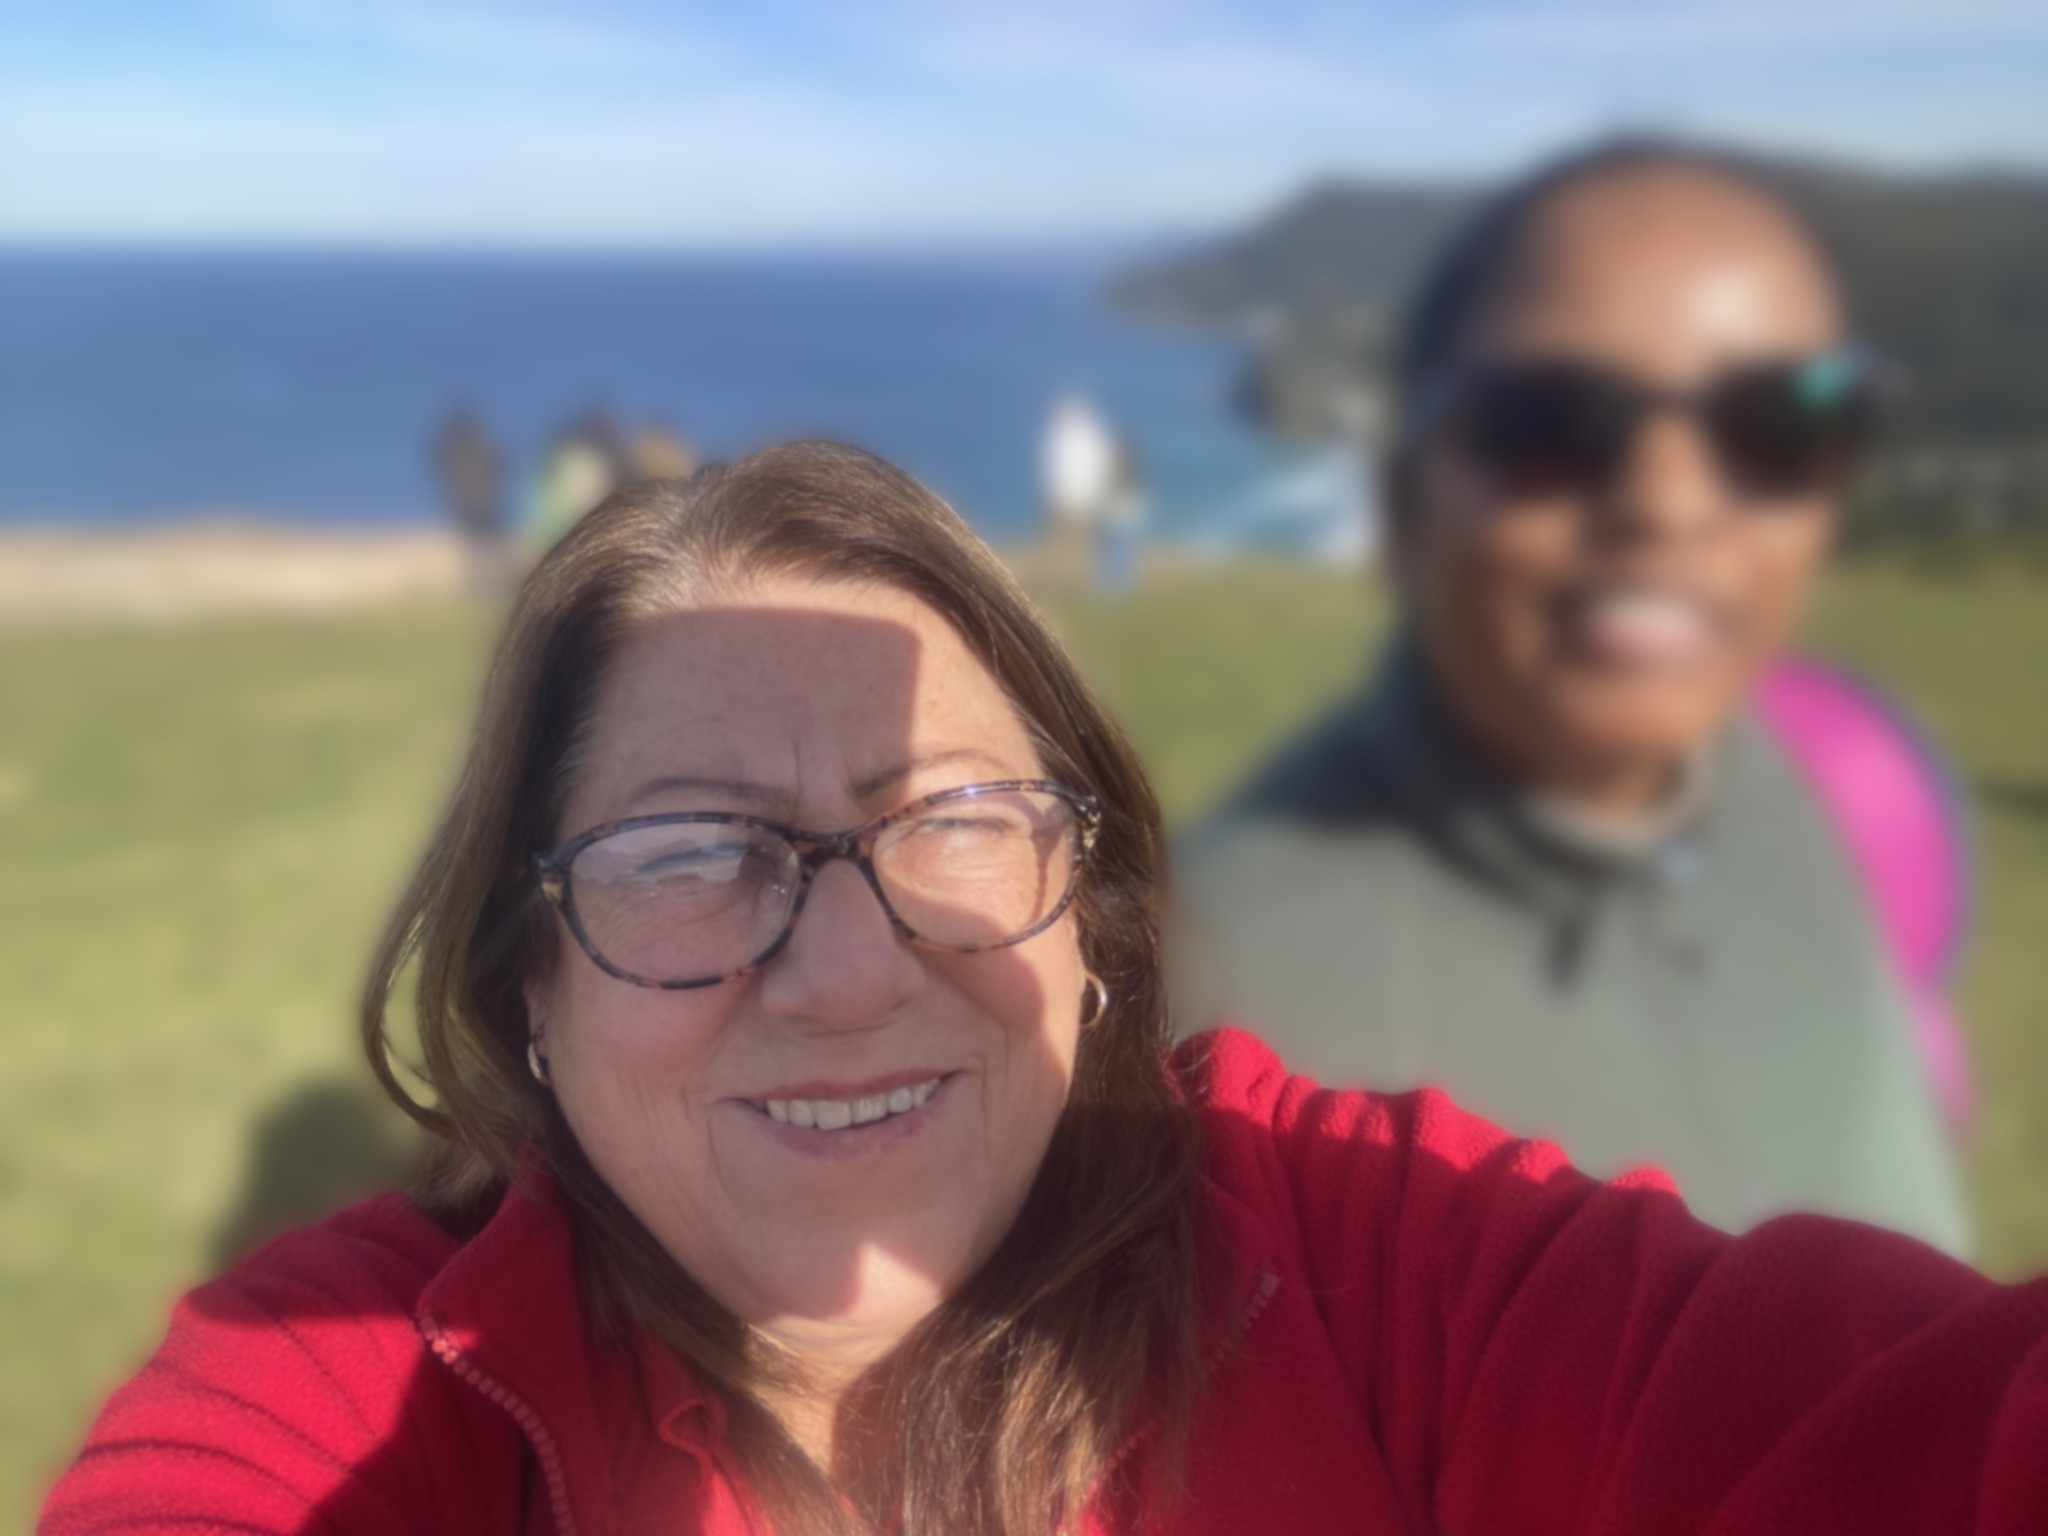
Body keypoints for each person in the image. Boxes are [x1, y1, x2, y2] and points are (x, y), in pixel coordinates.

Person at [41, 444, 2048, 1536]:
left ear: (1091, 919)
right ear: (531, 985)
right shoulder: (357, 1376)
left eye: (953, 822)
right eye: (685, 857)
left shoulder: (1386, 1273)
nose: (844, 973)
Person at [1174, 141, 1973, 1251]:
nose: (1666, 501)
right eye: (1546, 423)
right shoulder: (1220, 1015)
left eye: (1779, 422)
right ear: (1403, 507)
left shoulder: (1779, 789)